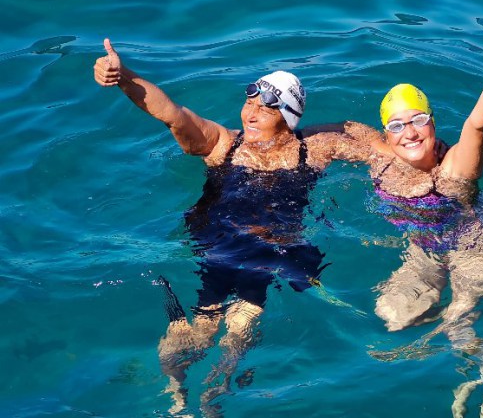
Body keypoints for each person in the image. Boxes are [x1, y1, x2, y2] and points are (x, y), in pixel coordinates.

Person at [94, 38, 370, 415]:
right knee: (200, 330)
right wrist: (124, 76)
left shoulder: (314, 150)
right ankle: (177, 396)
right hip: (219, 246)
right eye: (248, 104)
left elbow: (377, 148)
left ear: (288, 119)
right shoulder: (224, 144)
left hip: (272, 252)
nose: (250, 115)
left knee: (240, 328)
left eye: (263, 109)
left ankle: (213, 396)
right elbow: (172, 114)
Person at [345, 11, 483, 416]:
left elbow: (479, 122)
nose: (410, 132)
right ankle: (455, 347)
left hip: (478, 245)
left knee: (457, 323)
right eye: (398, 125)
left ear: (432, 122)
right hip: (426, 247)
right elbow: (336, 135)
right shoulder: (380, 158)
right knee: (392, 316)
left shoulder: (456, 167)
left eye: (419, 120)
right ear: (386, 132)